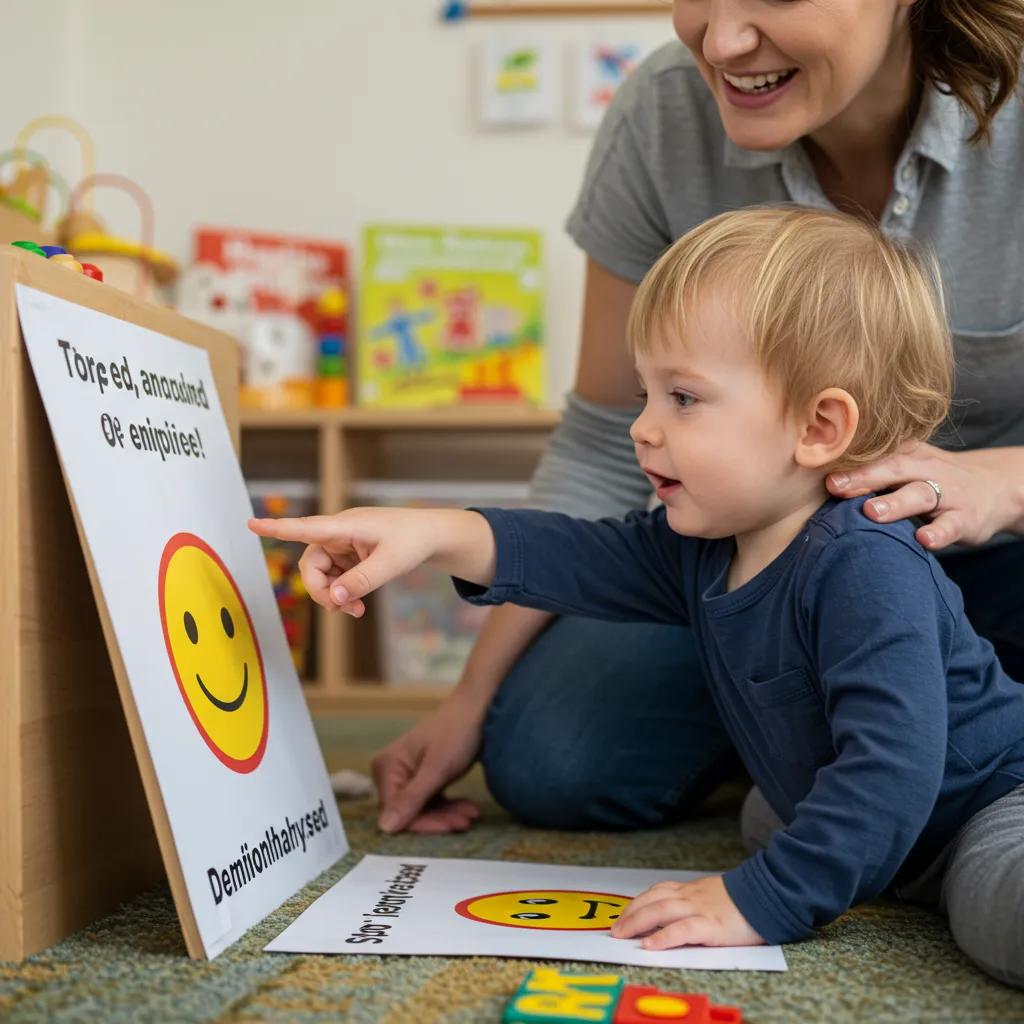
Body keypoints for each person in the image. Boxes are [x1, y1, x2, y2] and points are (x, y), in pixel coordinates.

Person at [251, 207, 1024, 987]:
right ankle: (839, 845)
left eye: (682, 398)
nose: (643, 430)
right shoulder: (703, 542)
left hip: (979, 808)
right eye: (646, 394)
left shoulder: (866, 563)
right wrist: (432, 530)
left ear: (819, 427)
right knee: (775, 815)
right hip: (881, 811)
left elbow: (893, 768)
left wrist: (764, 900)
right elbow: (578, 555)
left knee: (999, 913)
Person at [368, 0, 1024, 841]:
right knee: (552, 760)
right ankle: (822, 730)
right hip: (762, 562)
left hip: (1004, 554)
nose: (723, 40)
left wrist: (999, 485)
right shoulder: (664, 112)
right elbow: (603, 443)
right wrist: (470, 696)